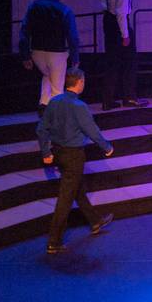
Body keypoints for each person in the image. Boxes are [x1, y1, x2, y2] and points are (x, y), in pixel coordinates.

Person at [36, 68, 115, 254]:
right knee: (66, 198)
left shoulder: (54, 102)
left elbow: (41, 129)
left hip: (58, 153)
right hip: (73, 155)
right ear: (79, 82)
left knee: (77, 188)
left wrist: (46, 151)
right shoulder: (79, 106)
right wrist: (107, 147)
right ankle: (54, 241)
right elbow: (92, 131)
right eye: (83, 81)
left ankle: (95, 221)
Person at [19, 0, 80, 113]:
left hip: (37, 52)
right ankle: (55, 116)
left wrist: (25, 55)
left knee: (47, 75)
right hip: (57, 53)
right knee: (57, 88)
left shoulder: (33, 6)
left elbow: (24, 31)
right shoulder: (65, 10)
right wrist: (75, 57)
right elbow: (73, 37)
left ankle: (43, 105)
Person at [101, 0, 148, 110]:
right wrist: (125, 34)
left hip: (107, 19)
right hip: (118, 23)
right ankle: (129, 97)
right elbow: (121, 10)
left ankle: (107, 100)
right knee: (129, 61)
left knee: (111, 62)